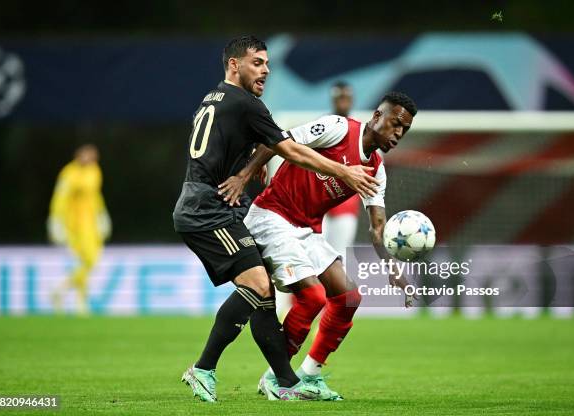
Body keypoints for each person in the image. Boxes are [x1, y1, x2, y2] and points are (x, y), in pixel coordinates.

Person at [173, 35, 380, 402]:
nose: (266, 70)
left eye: (268, 63)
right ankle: (203, 368)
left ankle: (285, 380)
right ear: (234, 65)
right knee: (258, 285)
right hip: (207, 208)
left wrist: (249, 163)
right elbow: (293, 151)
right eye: (257, 62)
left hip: (219, 206)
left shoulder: (215, 97)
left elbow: (227, 141)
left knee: (265, 295)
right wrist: (344, 172)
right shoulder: (247, 104)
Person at [220, 91, 418, 400]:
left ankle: (307, 375)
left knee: (348, 297)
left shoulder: (376, 170)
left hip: (306, 230)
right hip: (272, 215)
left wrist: (394, 270)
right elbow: (280, 139)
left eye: (404, 130)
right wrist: (245, 175)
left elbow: (377, 230)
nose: (398, 134)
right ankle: (280, 378)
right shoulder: (339, 128)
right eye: (395, 124)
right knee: (312, 297)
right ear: (377, 116)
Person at [48, 144, 111, 315]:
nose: (90, 160)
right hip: (74, 225)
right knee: (89, 261)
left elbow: (96, 196)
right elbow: (59, 198)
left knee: (87, 263)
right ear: (78, 155)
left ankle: (75, 300)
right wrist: (55, 220)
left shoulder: (94, 171)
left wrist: (101, 215)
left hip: (90, 224)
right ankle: (68, 295)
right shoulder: (69, 173)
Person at [323, 81, 361, 260]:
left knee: (341, 258)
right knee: (315, 257)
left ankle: (339, 289)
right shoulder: (321, 124)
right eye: (340, 98)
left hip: (346, 205)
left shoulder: (362, 131)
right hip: (319, 204)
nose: (343, 101)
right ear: (333, 99)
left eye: (346, 97)